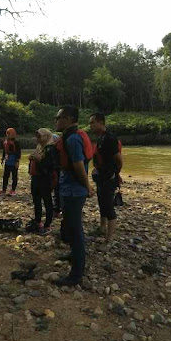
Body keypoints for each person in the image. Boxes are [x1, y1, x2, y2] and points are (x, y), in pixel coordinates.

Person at [54, 105, 94, 287]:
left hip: (74, 191)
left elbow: (78, 166)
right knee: (71, 227)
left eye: (59, 117)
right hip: (69, 189)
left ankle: (76, 273)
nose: (56, 120)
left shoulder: (72, 139)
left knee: (75, 230)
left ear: (69, 119)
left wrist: (88, 187)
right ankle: (73, 255)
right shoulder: (70, 136)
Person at [89, 112, 123, 242]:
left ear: (101, 123)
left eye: (93, 122)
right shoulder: (100, 138)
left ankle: (109, 238)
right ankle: (102, 228)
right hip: (101, 177)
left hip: (109, 178)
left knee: (108, 206)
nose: (90, 125)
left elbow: (119, 160)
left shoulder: (109, 138)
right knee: (101, 203)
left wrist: (115, 174)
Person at [26, 128, 58, 235]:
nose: (37, 138)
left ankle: (48, 225)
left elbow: (51, 166)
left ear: (46, 137)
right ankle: (38, 221)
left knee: (47, 202)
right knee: (36, 200)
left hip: (45, 179)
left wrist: (39, 160)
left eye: (40, 136)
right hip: (35, 178)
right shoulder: (39, 147)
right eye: (37, 136)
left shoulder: (50, 149)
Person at [0, 127, 21, 196]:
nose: (9, 135)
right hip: (7, 161)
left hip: (14, 161)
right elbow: (4, 151)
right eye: (8, 133)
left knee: (14, 176)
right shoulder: (5, 142)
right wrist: (2, 159)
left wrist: (17, 161)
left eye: (10, 133)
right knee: (5, 176)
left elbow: (19, 152)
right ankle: (4, 189)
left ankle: (13, 190)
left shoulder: (16, 142)